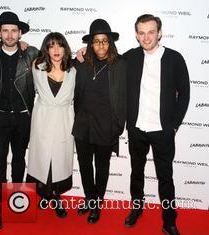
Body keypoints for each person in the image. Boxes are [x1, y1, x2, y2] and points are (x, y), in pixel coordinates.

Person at [124, 14, 190, 235]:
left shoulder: (174, 58)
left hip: (163, 131)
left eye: (151, 32)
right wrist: (83, 54)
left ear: (159, 32)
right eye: (141, 32)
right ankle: (136, 209)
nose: (146, 37)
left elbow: (185, 93)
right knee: (136, 174)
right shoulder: (130, 58)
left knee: (166, 178)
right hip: (137, 129)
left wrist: (173, 125)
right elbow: (105, 61)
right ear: (136, 35)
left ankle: (169, 221)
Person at [0, 11, 39, 230]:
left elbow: (59, 59)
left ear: (20, 33)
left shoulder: (31, 54)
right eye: (5, 30)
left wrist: (81, 55)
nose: (9, 35)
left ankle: (17, 199)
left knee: (19, 159)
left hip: (23, 117)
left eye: (13, 31)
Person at [72, 19, 127, 224]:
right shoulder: (81, 64)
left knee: (102, 167)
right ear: (90, 44)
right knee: (85, 165)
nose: (101, 45)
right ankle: (89, 198)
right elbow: (55, 62)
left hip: (106, 125)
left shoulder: (121, 64)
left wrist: (118, 125)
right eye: (96, 41)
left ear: (110, 43)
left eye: (105, 41)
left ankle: (97, 204)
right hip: (83, 124)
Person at [26, 32, 76, 218]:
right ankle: (45, 195)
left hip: (64, 120)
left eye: (60, 45)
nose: (56, 50)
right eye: (51, 45)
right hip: (42, 120)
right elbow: (19, 50)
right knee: (42, 160)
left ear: (65, 48)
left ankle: (55, 196)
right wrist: (23, 43)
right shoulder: (36, 66)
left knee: (59, 161)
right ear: (46, 49)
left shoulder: (74, 69)